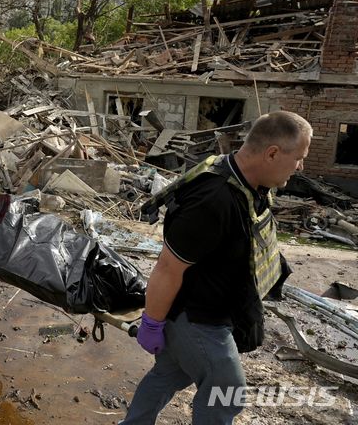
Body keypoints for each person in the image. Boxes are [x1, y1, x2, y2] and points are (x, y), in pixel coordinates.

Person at [121, 110, 312, 424]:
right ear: (272, 153)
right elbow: (167, 268)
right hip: (197, 319)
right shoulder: (212, 201)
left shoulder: (249, 184)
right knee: (226, 392)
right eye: (299, 158)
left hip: (213, 308)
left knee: (168, 376)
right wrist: (152, 323)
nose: (301, 166)